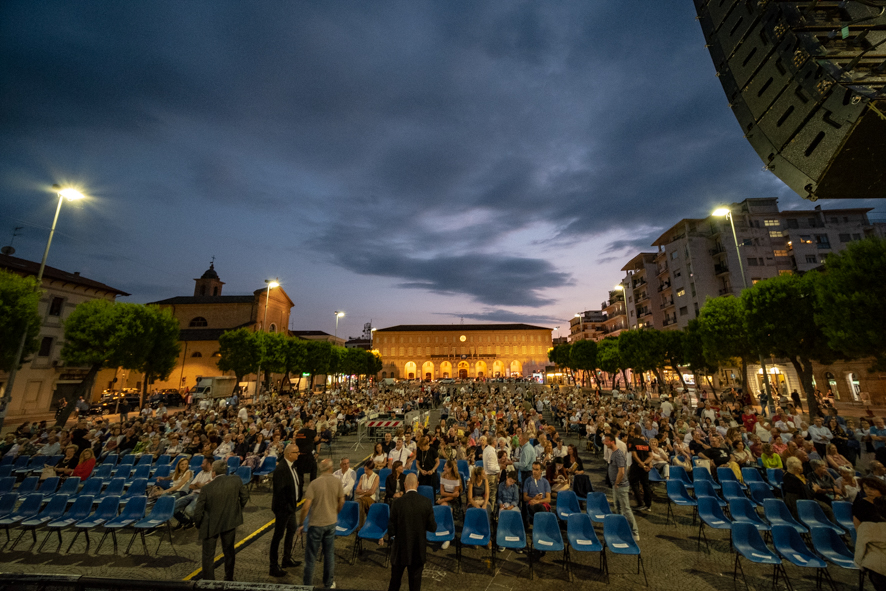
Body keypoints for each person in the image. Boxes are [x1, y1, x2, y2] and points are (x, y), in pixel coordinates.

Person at [193, 460, 249, 581]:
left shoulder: (207, 488)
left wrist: (198, 524)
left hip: (210, 525)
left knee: (208, 555)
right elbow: (244, 496)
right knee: (229, 551)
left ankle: (209, 581)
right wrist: (236, 510)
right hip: (229, 521)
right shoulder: (236, 480)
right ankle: (229, 578)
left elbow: (198, 511)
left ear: (213, 473)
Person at [300, 458, 345, 589]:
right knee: (329, 555)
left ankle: (307, 585)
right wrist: (335, 512)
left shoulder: (314, 483)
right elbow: (341, 501)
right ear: (331, 468)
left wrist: (301, 523)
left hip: (316, 524)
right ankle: (329, 582)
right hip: (331, 522)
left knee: (310, 557)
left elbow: (305, 507)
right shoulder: (337, 482)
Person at [387, 473, 437, 591]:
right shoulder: (426, 502)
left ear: (404, 485)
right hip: (417, 549)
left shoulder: (397, 503)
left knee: (395, 582)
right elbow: (432, 527)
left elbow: (391, 528)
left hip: (400, 550)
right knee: (415, 585)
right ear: (417, 484)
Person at [269, 444, 302, 577]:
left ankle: (286, 558)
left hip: (291, 507)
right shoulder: (281, 469)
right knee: (278, 536)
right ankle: (273, 566)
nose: (298, 454)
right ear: (289, 454)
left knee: (292, 530)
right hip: (284, 509)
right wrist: (287, 508)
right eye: (296, 452)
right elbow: (280, 492)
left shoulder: (292, 466)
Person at [604, 434, 639, 541]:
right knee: (618, 508)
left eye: (606, 441)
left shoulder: (618, 454)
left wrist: (617, 483)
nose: (604, 443)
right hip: (617, 485)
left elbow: (621, 471)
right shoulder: (613, 453)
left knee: (626, 509)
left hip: (621, 486)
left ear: (612, 442)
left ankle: (634, 532)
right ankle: (621, 528)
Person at [628, 425, 653, 512]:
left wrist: (641, 464)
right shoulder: (645, 443)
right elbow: (651, 456)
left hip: (636, 466)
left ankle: (640, 503)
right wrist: (645, 464)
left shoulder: (632, 442)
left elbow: (634, 455)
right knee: (646, 485)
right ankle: (648, 504)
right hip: (645, 468)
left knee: (634, 483)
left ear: (633, 432)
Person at [295, 419, 319, 495]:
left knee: (300, 475)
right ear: (306, 423)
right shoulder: (312, 432)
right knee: (313, 471)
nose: (312, 423)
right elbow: (318, 441)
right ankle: (313, 491)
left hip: (300, 457)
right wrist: (317, 452)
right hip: (308, 456)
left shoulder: (299, 432)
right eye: (310, 422)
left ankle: (299, 493)